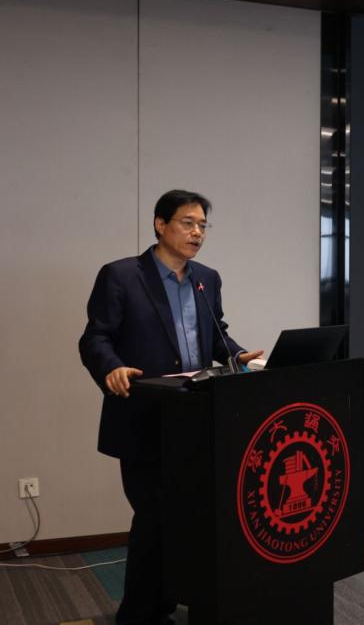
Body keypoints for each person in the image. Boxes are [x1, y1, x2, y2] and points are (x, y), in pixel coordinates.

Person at [79, 189, 263, 624]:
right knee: (155, 517)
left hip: (194, 418)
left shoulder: (207, 279)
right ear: (160, 224)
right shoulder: (122, 276)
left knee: (189, 518)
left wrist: (239, 356)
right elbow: (95, 337)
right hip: (143, 416)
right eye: (187, 223)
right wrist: (112, 368)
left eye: (202, 225)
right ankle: (138, 614)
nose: (197, 232)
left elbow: (216, 336)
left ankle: (174, 599)